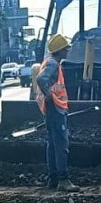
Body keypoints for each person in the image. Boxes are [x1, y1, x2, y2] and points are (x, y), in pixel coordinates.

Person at [36, 33, 79, 192]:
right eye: (65, 49)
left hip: (52, 109)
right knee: (61, 144)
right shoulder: (53, 64)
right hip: (55, 109)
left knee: (53, 144)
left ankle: (53, 179)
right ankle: (63, 180)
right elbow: (41, 79)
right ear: (60, 50)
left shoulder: (50, 62)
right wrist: (49, 94)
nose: (68, 51)